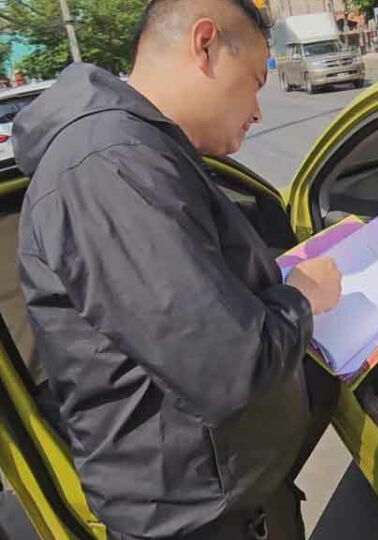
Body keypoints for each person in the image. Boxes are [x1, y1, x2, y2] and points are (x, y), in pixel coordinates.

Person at [12, 0, 342, 538]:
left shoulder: (145, 151)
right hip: (195, 523)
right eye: (256, 81)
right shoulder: (109, 165)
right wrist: (303, 296)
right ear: (205, 44)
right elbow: (226, 368)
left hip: (230, 501)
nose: (258, 110)